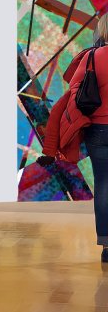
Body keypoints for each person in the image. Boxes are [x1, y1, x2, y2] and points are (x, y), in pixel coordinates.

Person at [40, 15, 108, 261]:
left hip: (98, 130)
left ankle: (107, 245)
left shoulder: (91, 57)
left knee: (104, 184)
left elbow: (74, 92)